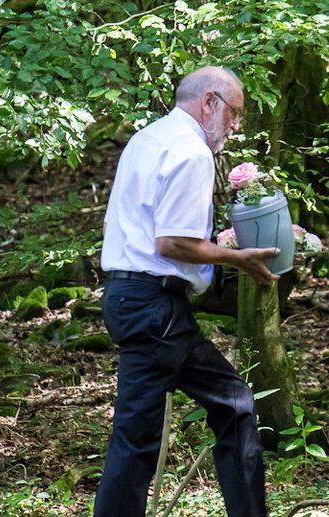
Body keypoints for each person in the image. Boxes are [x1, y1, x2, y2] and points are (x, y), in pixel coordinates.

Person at [95, 66, 275, 517]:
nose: (236, 125)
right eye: (235, 112)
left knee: (233, 402)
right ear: (209, 101)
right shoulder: (191, 151)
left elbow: (153, 228)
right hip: (153, 306)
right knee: (137, 440)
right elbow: (172, 242)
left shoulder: (147, 139)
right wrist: (238, 257)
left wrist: (221, 242)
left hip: (136, 300)